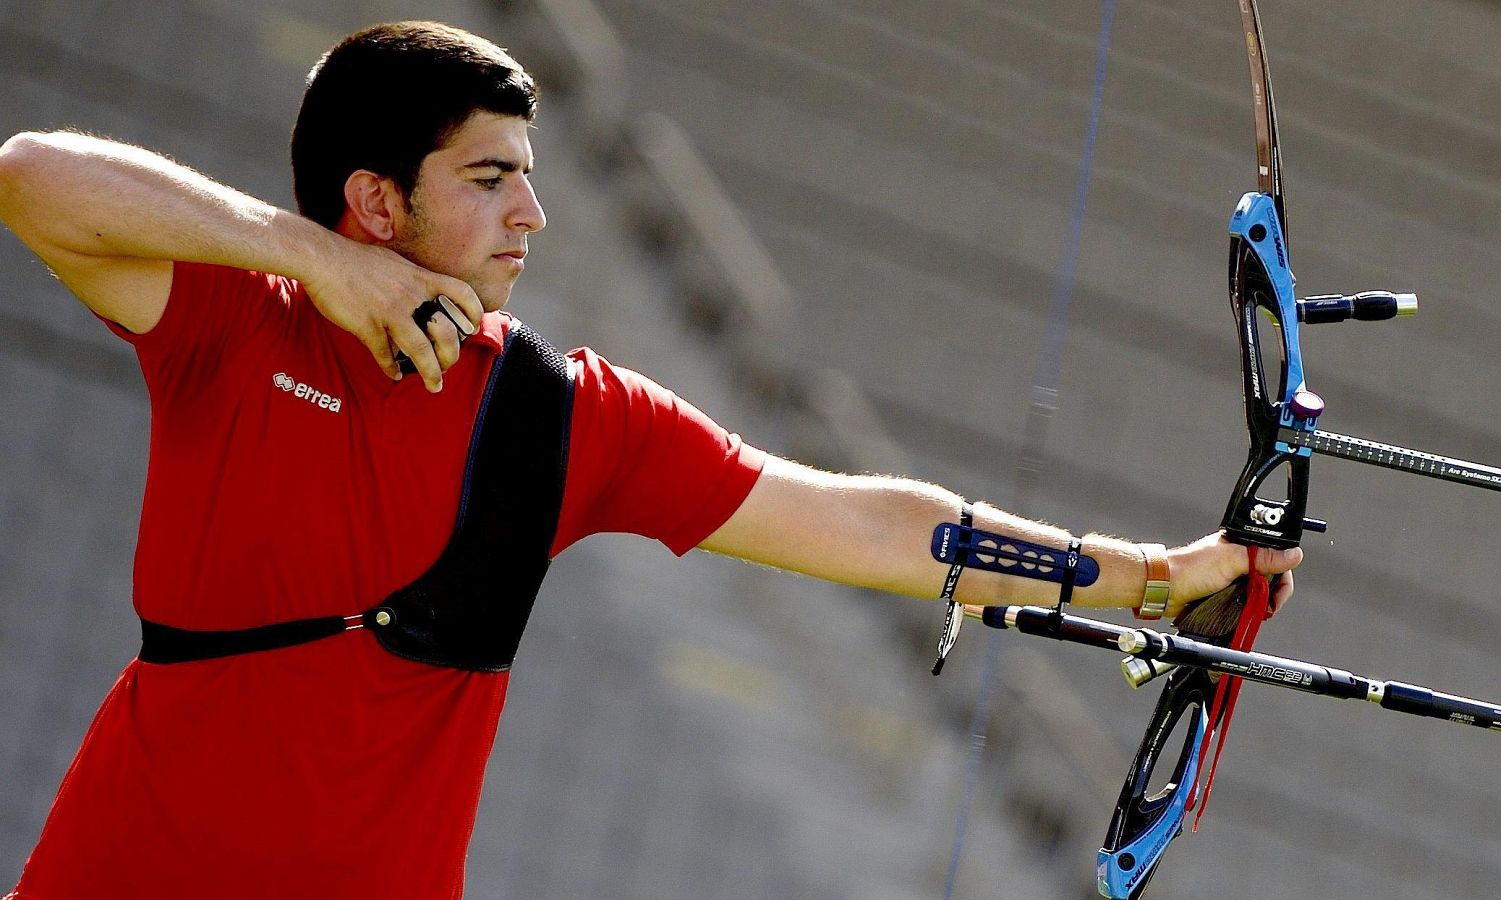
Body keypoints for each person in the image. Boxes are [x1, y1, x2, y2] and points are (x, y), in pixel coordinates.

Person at [0, 20, 1300, 900]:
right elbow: (32, 174)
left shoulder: (569, 421)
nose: (533, 213)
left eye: (532, 177)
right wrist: (319, 267)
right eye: (490, 178)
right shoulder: (236, 324)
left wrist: (1151, 576)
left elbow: (866, 527)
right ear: (376, 199)